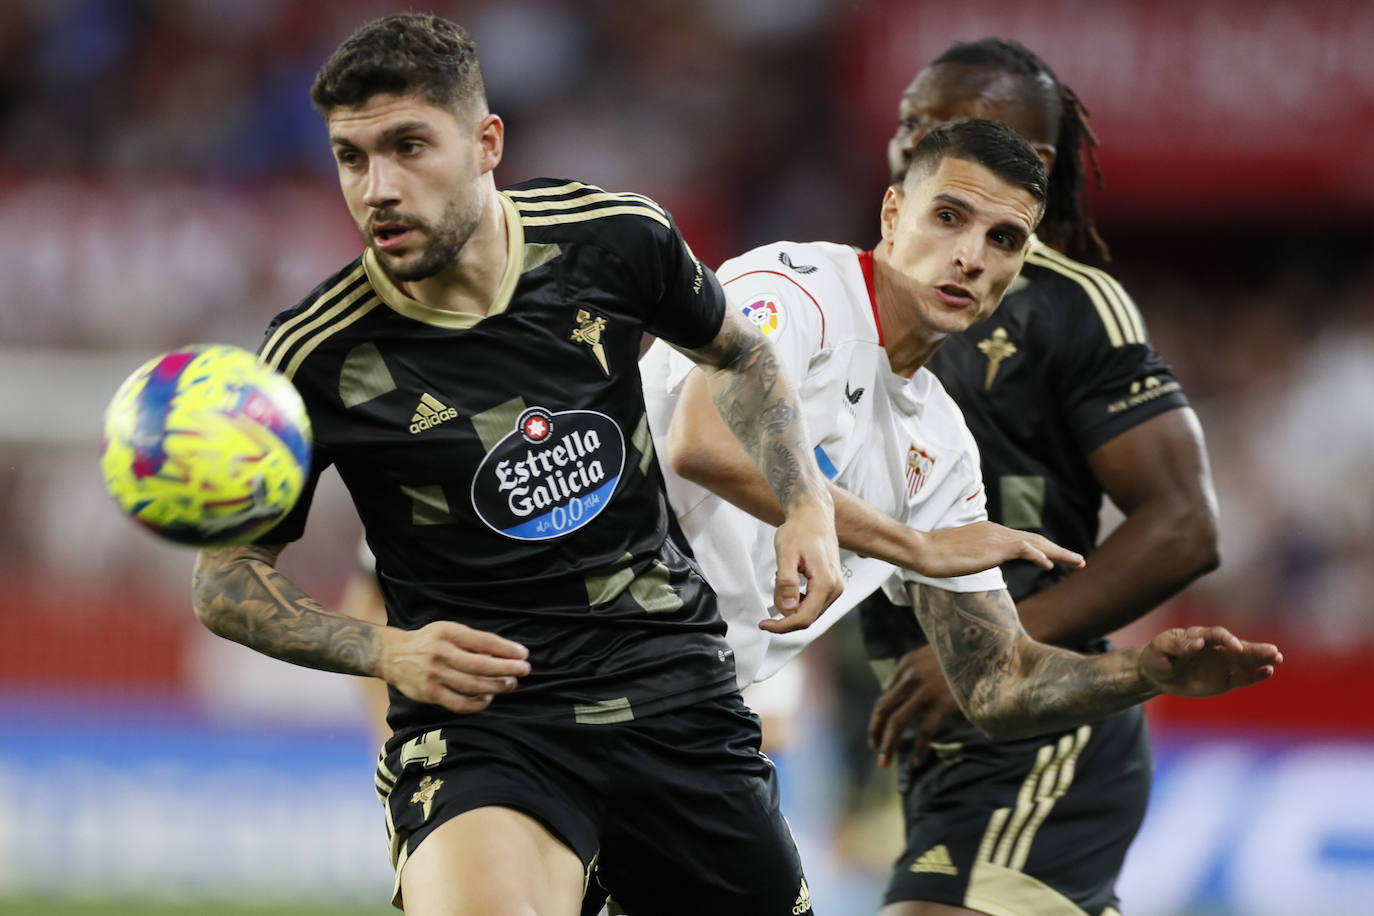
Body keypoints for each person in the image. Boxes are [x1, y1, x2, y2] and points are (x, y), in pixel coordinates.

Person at [190, 14, 846, 916]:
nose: (377, 188)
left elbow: (743, 356)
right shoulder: (312, 358)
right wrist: (385, 650)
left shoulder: (615, 241)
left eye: (408, 146)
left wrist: (804, 506)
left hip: (668, 687)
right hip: (487, 728)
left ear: (486, 142)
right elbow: (225, 579)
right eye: (351, 158)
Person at [859, 39, 1228, 916]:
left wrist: (997, 650)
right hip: (930, 738)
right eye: (910, 123)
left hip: (1041, 730)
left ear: (1039, 165)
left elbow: (1184, 524)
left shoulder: (1071, 307)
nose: (916, 143)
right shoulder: (840, 293)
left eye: (951, 126)